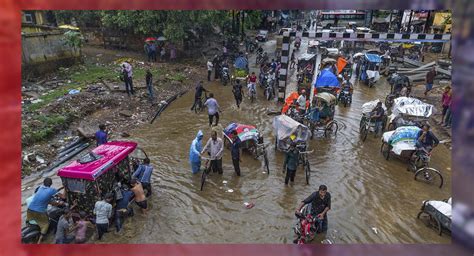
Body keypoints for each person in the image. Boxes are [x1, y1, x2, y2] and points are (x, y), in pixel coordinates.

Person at [27, 177, 66, 244]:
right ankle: (39, 241)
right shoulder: (51, 190)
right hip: (39, 212)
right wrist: (65, 188)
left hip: (30, 210)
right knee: (46, 224)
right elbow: (63, 197)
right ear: (51, 184)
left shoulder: (40, 188)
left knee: (38, 219)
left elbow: (48, 200)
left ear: (43, 183)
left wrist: (61, 188)